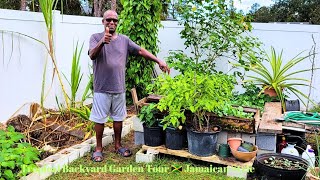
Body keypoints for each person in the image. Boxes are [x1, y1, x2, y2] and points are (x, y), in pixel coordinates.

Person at [88, 10, 170, 162]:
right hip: (101, 88)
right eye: (108, 20)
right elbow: (92, 55)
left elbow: (140, 50)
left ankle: (118, 145)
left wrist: (158, 60)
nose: (112, 23)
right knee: (99, 119)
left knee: (118, 118)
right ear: (103, 22)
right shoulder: (95, 38)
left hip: (118, 87)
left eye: (114, 20)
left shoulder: (124, 40)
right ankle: (98, 148)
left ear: (117, 23)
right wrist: (102, 42)